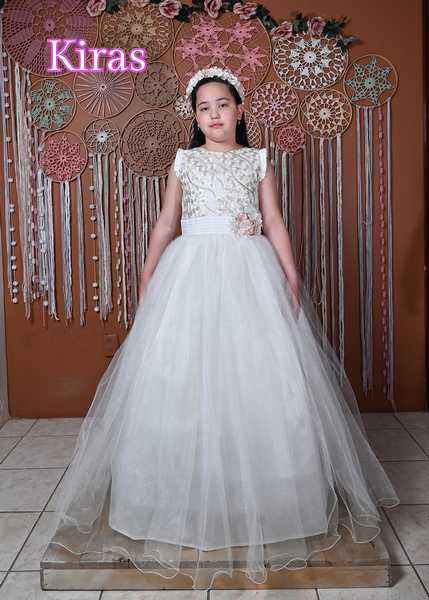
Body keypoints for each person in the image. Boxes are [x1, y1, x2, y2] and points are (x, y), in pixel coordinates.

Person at [48, 66, 399, 590]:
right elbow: (167, 221)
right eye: (204, 108)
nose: (214, 114)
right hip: (191, 271)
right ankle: (179, 497)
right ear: (195, 118)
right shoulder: (184, 161)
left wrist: (290, 271)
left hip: (248, 271)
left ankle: (266, 500)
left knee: (256, 375)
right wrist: (148, 272)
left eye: (223, 105)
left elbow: (273, 220)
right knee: (185, 375)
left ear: (239, 110)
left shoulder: (257, 160)